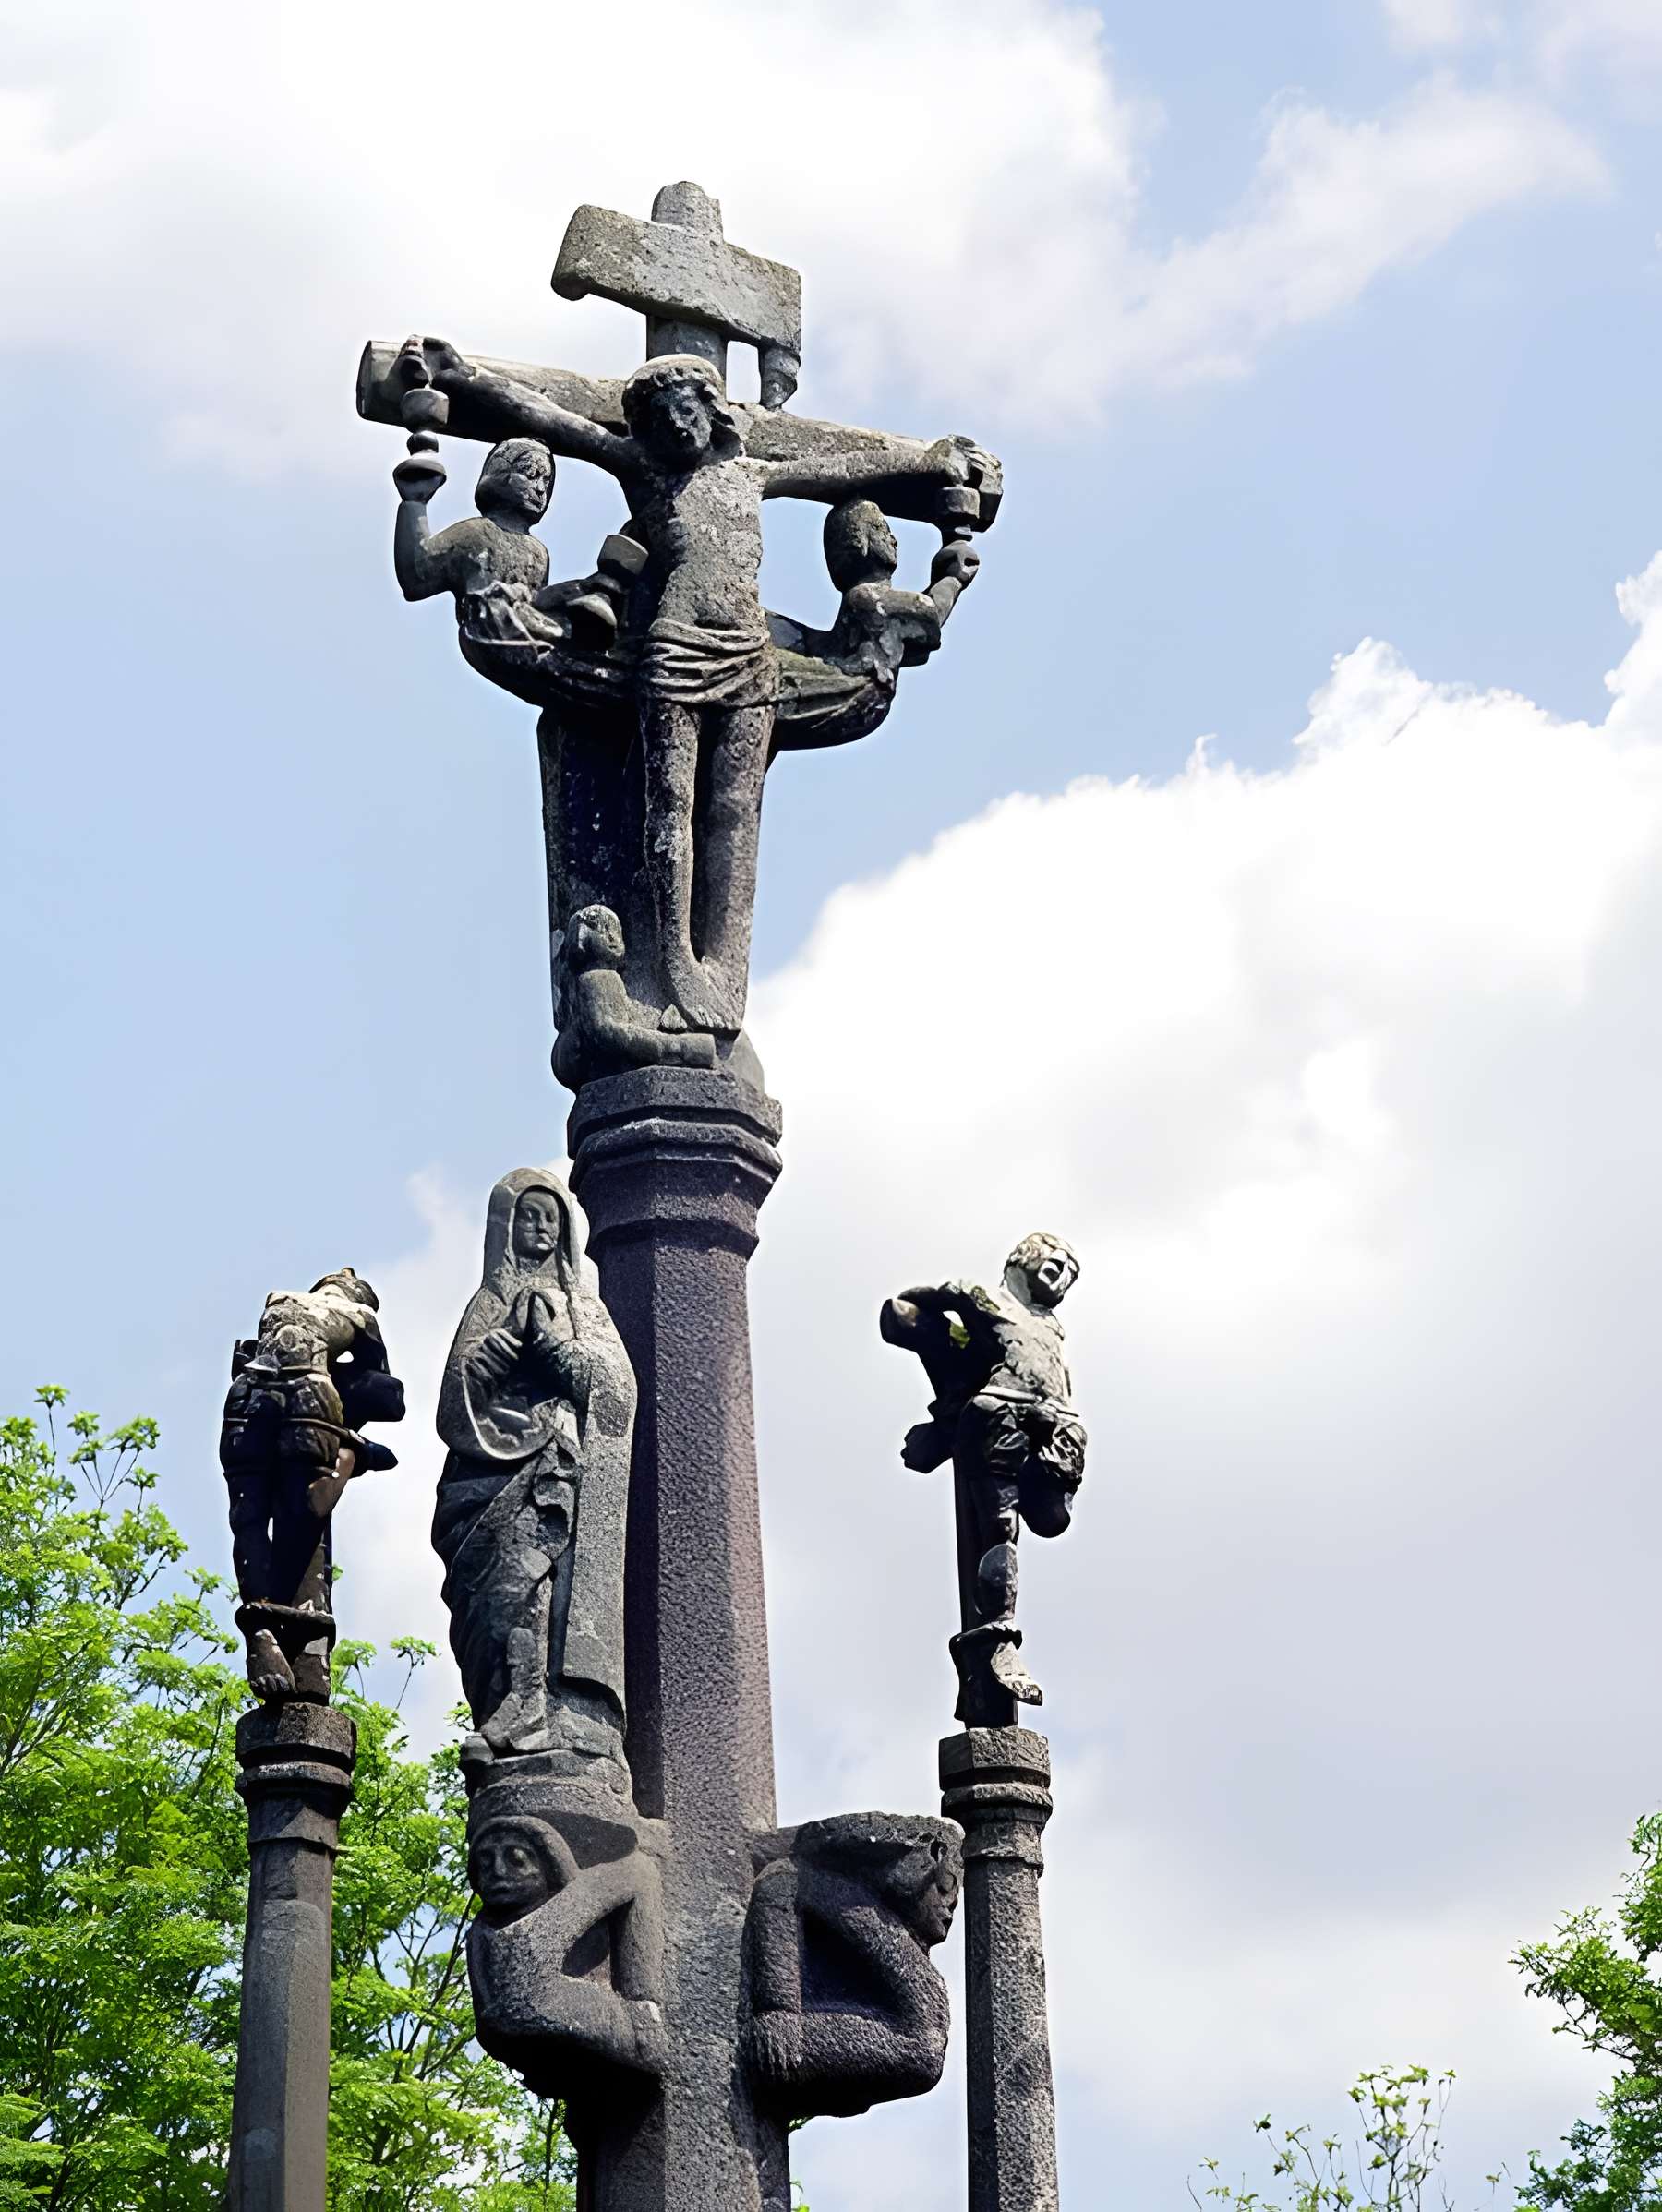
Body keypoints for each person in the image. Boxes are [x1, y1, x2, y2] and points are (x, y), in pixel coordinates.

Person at [412, 336, 970, 1035]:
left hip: (747, 656)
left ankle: (722, 966)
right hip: (674, 648)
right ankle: (674, 956)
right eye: (659, 417)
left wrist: (927, 461)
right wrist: (466, 377)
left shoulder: (749, 474)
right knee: (670, 804)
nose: (676, 425)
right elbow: (560, 423)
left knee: (732, 809)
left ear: (711, 409)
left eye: (685, 408)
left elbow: (842, 468)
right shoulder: (646, 471)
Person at [881, 1233, 1085, 1713]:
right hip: (1000, 1411)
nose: (1063, 1277)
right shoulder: (984, 1298)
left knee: (1053, 1518)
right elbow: (914, 1304)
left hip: (1058, 1423)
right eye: (1056, 1265)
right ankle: (996, 1640)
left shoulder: (1052, 1326)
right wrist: (952, 1345)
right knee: (999, 1528)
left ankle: (1028, 1482)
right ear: (1023, 1260)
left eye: (1071, 1275)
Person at [220, 1268, 404, 1701]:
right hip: (307, 1393)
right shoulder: (360, 1315)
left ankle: (261, 1627)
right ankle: (352, 1455)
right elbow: (385, 1391)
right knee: (307, 1512)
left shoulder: (277, 1298)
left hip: (249, 1393)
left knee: (247, 1520)